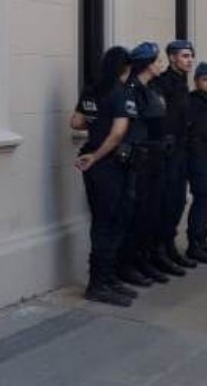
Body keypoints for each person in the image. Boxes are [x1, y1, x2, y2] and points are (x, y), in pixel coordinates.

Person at [72, 46, 138, 306]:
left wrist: (96, 121)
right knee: (109, 224)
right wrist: (98, 155)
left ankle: (106, 279)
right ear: (125, 68)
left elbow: (76, 122)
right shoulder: (120, 92)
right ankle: (99, 284)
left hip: (95, 165)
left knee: (103, 221)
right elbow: (119, 132)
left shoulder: (91, 90)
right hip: (108, 163)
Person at [118, 42, 171, 288]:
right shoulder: (132, 90)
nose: (161, 64)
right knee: (136, 214)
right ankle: (127, 264)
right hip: (140, 158)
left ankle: (144, 258)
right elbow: (132, 127)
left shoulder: (152, 88)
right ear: (147, 64)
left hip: (156, 156)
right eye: (157, 60)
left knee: (152, 211)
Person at [150, 39, 196, 273]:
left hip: (181, 152)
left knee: (178, 201)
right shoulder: (163, 83)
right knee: (165, 202)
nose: (189, 60)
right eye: (185, 56)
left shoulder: (182, 84)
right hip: (165, 153)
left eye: (190, 56)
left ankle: (169, 247)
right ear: (172, 58)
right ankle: (158, 252)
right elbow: (160, 116)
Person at [186, 61, 207, 264]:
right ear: (197, 81)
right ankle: (193, 243)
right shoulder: (190, 102)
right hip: (197, 156)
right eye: (205, 79)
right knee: (203, 197)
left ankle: (202, 239)